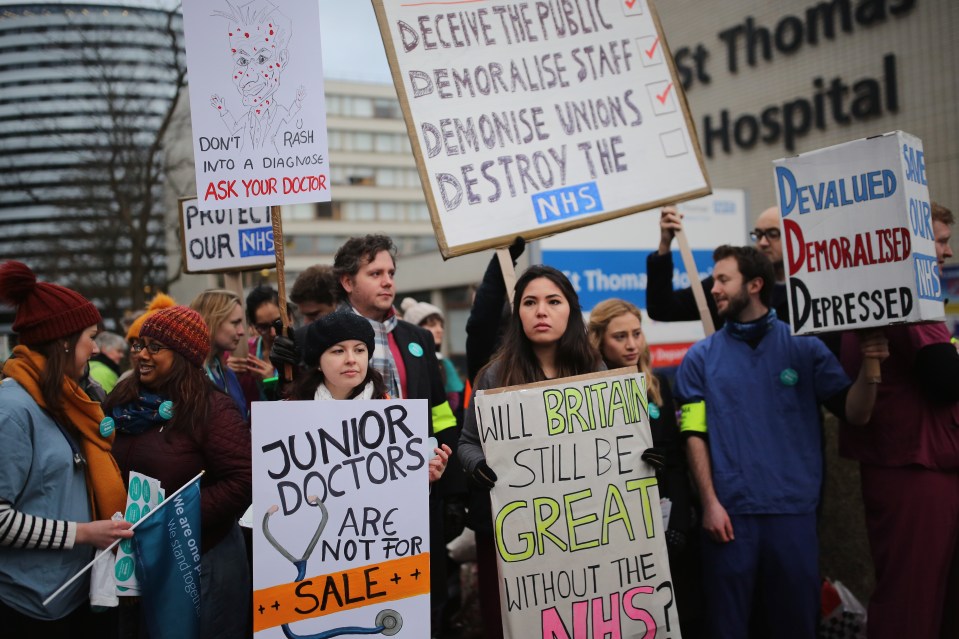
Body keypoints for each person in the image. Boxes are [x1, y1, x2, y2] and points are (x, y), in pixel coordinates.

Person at [674, 245, 889, 639]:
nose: (713, 288)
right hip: (729, 518)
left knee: (794, 625)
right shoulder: (699, 360)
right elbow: (693, 435)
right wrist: (709, 503)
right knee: (727, 627)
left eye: (723, 279)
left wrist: (871, 367)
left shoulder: (804, 348)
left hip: (793, 515)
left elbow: (856, 413)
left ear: (755, 284)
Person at [458, 265, 608, 639]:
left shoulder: (596, 370)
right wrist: (478, 466)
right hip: (517, 535)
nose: (541, 311)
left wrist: (642, 456)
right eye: (530, 302)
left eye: (553, 301)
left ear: (570, 310)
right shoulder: (494, 376)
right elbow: (467, 442)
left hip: (582, 530)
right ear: (517, 314)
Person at [838, 202, 959, 639]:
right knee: (911, 602)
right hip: (912, 468)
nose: (946, 252)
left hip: (920, 462)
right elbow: (945, 379)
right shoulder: (906, 298)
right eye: (940, 241)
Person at [104, 305, 252, 639]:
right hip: (133, 556)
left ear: (184, 355)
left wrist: (177, 520)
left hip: (200, 559)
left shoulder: (212, 408)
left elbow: (243, 479)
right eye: (139, 345)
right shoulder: (122, 400)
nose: (141, 354)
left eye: (154, 347)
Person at [0, 261, 131, 634]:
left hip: (71, 595)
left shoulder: (63, 399)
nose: (94, 347)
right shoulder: (12, 410)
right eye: (90, 336)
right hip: (28, 606)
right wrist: (84, 534)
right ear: (63, 341)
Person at [587, 298, 704, 638]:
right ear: (599, 341)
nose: (632, 344)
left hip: (662, 524)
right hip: (613, 533)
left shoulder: (657, 386)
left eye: (637, 334)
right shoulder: (581, 393)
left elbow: (677, 461)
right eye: (620, 336)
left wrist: (679, 521)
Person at [290, 310, 451, 482]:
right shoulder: (291, 415)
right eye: (338, 351)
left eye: (359, 350)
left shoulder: (395, 418)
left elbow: (401, 488)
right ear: (318, 363)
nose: (351, 359)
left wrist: (424, 477)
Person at [647, 205, 787, 328]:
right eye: (758, 234)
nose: (762, 242)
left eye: (773, 234)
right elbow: (662, 308)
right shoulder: (722, 288)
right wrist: (665, 244)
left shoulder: (807, 288)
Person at [190, 289, 248, 419]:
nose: (242, 331)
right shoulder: (188, 378)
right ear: (211, 321)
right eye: (235, 323)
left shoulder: (228, 373)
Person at [237, 285, 281, 409]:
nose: (273, 332)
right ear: (253, 326)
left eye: (278, 323)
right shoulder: (245, 353)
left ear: (288, 316)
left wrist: (271, 382)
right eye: (263, 327)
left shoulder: (300, 351)